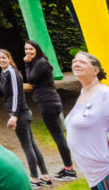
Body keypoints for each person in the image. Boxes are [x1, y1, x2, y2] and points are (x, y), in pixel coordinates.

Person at [0, 48, 52, 186]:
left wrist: (15, 116)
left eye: (3, 58)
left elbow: (17, 94)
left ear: (9, 58)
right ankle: (45, 177)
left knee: (27, 146)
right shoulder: (4, 72)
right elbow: (4, 95)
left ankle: (34, 179)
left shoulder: (12, 72)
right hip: (19, 113)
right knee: (32, 146)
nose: (1, 60)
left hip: (21, 114)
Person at [22, 40, 77, 181]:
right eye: (26, 49)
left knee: (58, 136)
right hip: (51, 101)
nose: (28, 51)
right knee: (58, 135)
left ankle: (70, 170)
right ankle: (68, 168)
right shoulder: (39, 62)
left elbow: (31, 79)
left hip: (48, 102)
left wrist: (27, 64)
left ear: (37, 49)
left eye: (31, 49)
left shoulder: (40, 62)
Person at [66, 51, 109, 189]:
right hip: (93, 175)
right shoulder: (84, 92)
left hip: (104, 171)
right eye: (74, 62)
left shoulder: (104, 94)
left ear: (95, 71)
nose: (76, 64)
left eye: (82, 62)